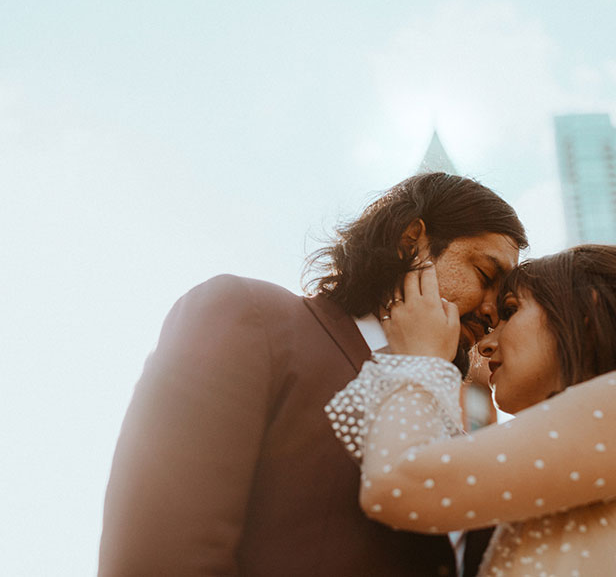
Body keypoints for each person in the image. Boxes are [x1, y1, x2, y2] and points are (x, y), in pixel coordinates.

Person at [99, 172, 528, 576]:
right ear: (410, 242)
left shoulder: (468, 423)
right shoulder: (252, 317)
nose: (493, 311)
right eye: (485, 275)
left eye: (505, 300)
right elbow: (161, 555)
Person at [327, 244, 616, 577]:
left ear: (588, 311)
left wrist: (421, 358)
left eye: (508, 311)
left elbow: (398, 484)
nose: (485, 343)